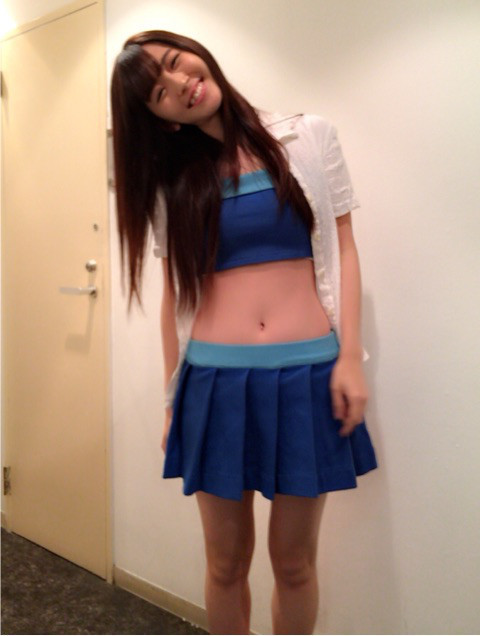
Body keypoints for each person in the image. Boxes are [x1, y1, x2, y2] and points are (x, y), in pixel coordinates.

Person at [111, 29, 378, 635]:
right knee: (226, 563)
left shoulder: (308, 136)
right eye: (159, 91)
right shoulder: (173, 183)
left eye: (176, 63)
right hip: (214, 384)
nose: (180, 83)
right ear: (161, 118)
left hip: (308, 376)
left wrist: (350, 358)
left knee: (295, 563)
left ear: (198, 54)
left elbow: (344, 246)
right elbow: (176, 293)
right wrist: (171, 398)